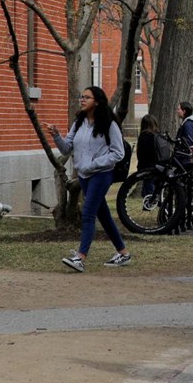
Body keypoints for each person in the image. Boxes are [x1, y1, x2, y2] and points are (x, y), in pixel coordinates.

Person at [44, 86, 132, 272]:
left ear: (97, 101)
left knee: (88, 212)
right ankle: (123, 253)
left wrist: (94, 163)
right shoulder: (79, 122)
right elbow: (66, 149)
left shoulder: (109, 124)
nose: (82, 100)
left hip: (101, 174)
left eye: (87, 97)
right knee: (104, 216)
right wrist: (57, 136)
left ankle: (80, 257)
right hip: (83, 175)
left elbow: (118, 153)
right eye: (81, 96)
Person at [175, 101, 193, 167]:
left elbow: (189, 141)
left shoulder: (188, 124)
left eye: (178, 109)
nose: (177, 111)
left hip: (186, 158)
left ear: (184, 111)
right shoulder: (188, 123)